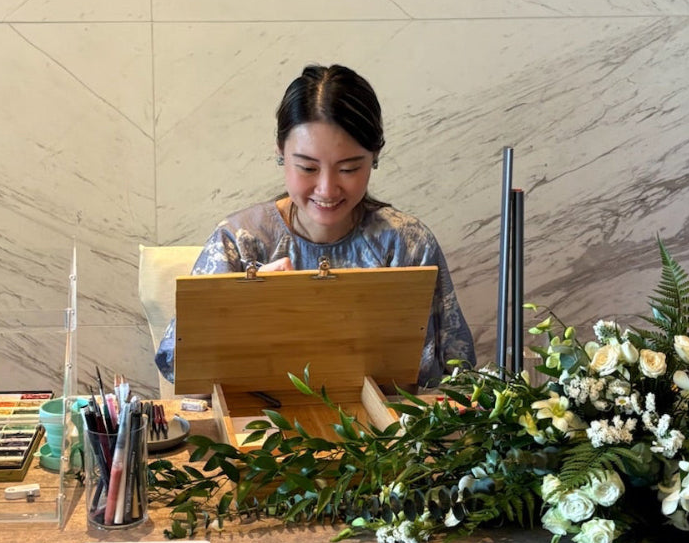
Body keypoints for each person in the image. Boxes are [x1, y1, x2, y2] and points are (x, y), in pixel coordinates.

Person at [155, 64, 475, 388]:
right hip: (257, 427)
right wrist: (242, 302)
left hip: (381, 431)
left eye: (348, 169)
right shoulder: (240, 241)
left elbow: (455, 370)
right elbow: (175, 362)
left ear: (374, 156)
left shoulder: (406, 244)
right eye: (307, 167)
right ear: (280, 152)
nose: (326, 189)